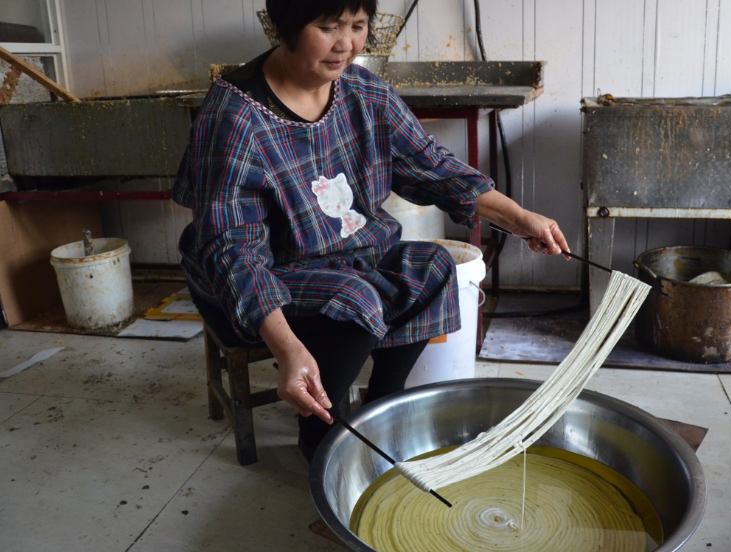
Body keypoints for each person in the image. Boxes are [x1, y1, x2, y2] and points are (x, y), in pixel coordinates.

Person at [173, 0, 570, 463]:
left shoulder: (363, 92)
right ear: (285, 27)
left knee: (434, 268)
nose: (346, 44)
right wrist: (287, 352)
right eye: (328, 27)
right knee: (355, 298)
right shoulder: (235, 117)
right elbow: (232, 252)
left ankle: (380, 408)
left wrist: (520, 219)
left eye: (358, 26)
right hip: (259, 277)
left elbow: (434, 168)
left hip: (344, 258)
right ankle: (320, 431)